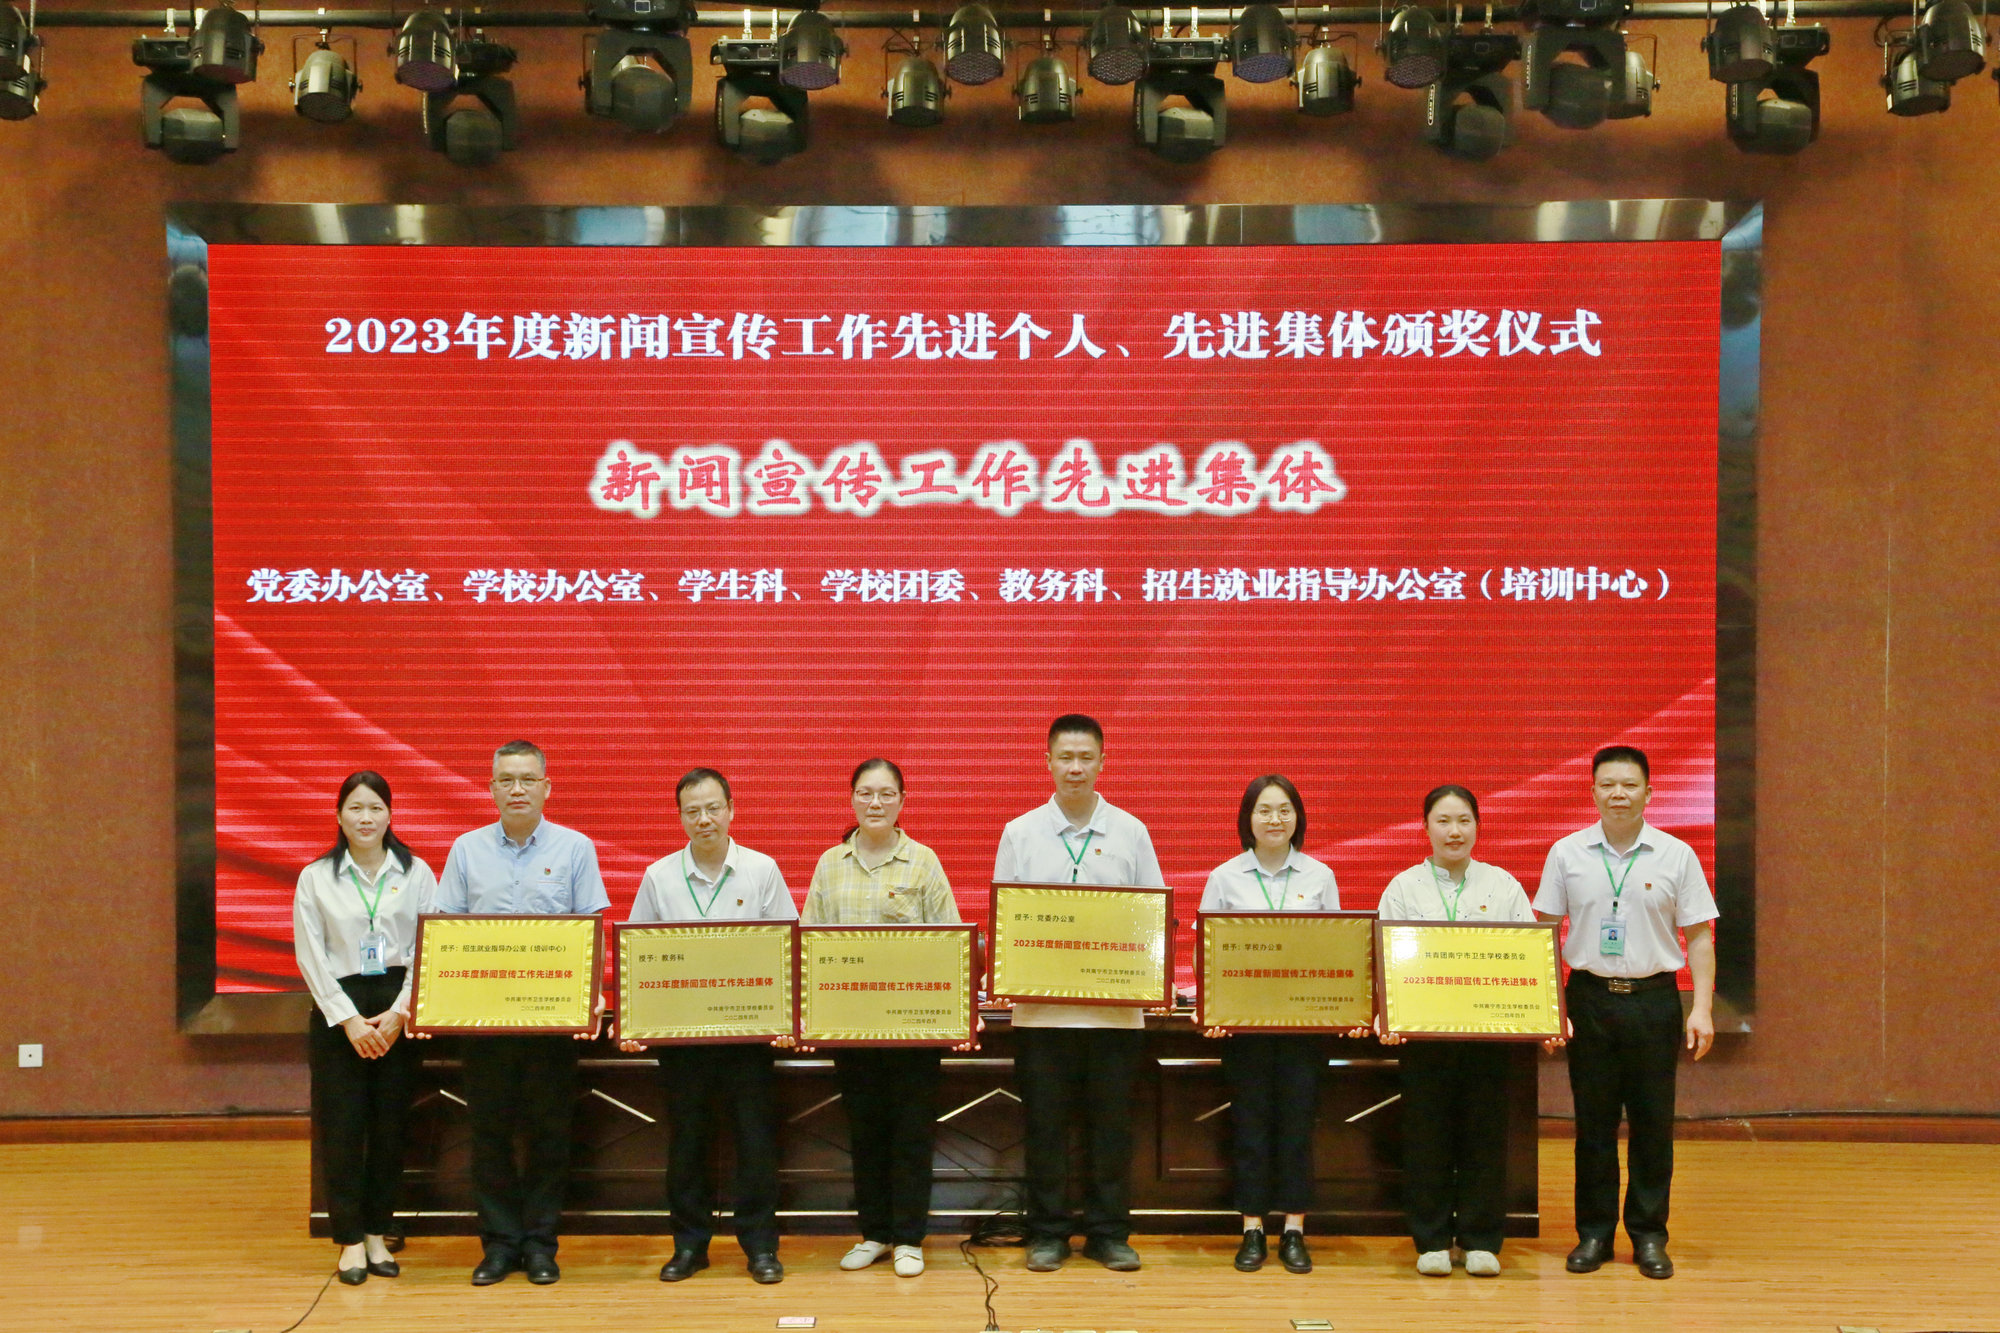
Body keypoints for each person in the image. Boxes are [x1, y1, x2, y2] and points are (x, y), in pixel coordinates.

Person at [1534, 744, 1717, 1281]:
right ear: (1593, 792)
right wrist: (1548, 1009)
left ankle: (1649, 1235)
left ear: (1648, 793)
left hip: (1655, 1002)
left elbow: (1699, 937)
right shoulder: (1566, 853)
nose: (1619, 794)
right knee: (1592, 1126)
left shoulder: (1676, 855)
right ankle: (1593, 1234)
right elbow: (1543, 934)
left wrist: (1703, 1008)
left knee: (1652, 1125)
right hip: (1589, 999)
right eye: (1608, 784)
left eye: (1630, 785)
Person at [433, 740, 610, 1287]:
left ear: (546, 788)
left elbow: (593, 929)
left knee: (548, 1135)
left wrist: (593, 994)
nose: (517, 789)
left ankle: (539, 1245)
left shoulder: (575, 848)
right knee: (488, 1135)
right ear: (491, 789)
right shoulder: (466, 850)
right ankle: (499, 1245)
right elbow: (445, 931)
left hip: (550, 1023)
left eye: (527, 779)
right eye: (506, 780)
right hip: (484, 1024)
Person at [993, 714, 1164, 1273]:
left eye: (1085, 757)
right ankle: (1048, 1234)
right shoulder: (1020, 833)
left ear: (1102, 762)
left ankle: (1108, 1234)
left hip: (1114, 1016)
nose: (1075, 768)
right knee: (1044, 1130)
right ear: (1047, 762)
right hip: (1041, 1016)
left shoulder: (1131, 832)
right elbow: (1006, 921)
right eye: (1065, 757)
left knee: (1110, 1131)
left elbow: (1152, 920)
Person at [623, 768, 797, 1286]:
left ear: (731, 810)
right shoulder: (659, 876)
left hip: (748, 1037)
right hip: (683, 1040)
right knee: (687, 1144)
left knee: (755, 1143)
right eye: (692, 810)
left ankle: (760, 1247)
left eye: (713, 808)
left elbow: (786, 948)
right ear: (680, 817)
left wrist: (786, 1018)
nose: (704, 819)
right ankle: (689, 1246)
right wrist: (634, 1020)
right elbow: (637, 955)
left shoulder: (762, 870)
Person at [800, 759, 963, 1279]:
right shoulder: (831, 864)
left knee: (912, 1133)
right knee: (865, 1134)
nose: (875, 803)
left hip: (914, 1031)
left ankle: (909, 1237)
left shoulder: (923, 862)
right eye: (866, 793)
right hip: (852, 1032)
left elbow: (950, 942)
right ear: (851, 799)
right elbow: (809, 944)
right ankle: (874, 1233)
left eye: (887, 794)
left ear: (902, 801)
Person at [1376, 784, 1541, 1279]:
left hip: (1487, 1037)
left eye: (1464, 820)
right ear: (1425, 828)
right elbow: (1384, 958)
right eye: (1443, 821)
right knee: (1426, 1137)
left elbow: (1530, 958)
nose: (1454, 831)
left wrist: (1543, 1015)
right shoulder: (1403, 887)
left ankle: (1480, 1240)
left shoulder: (1503, 885)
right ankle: (1430, 1239)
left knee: (1484, 1137)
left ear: (1477, 827)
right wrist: (1387, 1013)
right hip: (1424, 1038)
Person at [1198, 774, 1352, 1275]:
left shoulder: (1319, 876)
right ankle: (1251, 1229)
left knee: (1296, 1129)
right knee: (1250, 1128)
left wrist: (1342, 1007)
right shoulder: (1225, 877)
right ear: (1248, 819)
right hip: (1245, 1030)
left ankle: (1294, 1231)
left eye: (1285, 810)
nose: (1274, 819)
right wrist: (1215, 1010)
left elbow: (1338, 950)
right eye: (1264, 810)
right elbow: (1207, 955)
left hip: (1302, 1031)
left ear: (1297, 818)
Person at [294, 770, 437, 1285]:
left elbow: (429, 947)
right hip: (340, 1010)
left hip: (397, 1007)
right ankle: (350, 1240)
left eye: (376, 807)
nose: (366, 817)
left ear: (390, 815)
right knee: (343, 1128)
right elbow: (310, 955)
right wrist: (350, 1020)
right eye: (355, 808)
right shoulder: (316, 877)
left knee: (390, 1128)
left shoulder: (416, 872)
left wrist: (399, 1013)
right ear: (338, 816)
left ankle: (378, 1232)